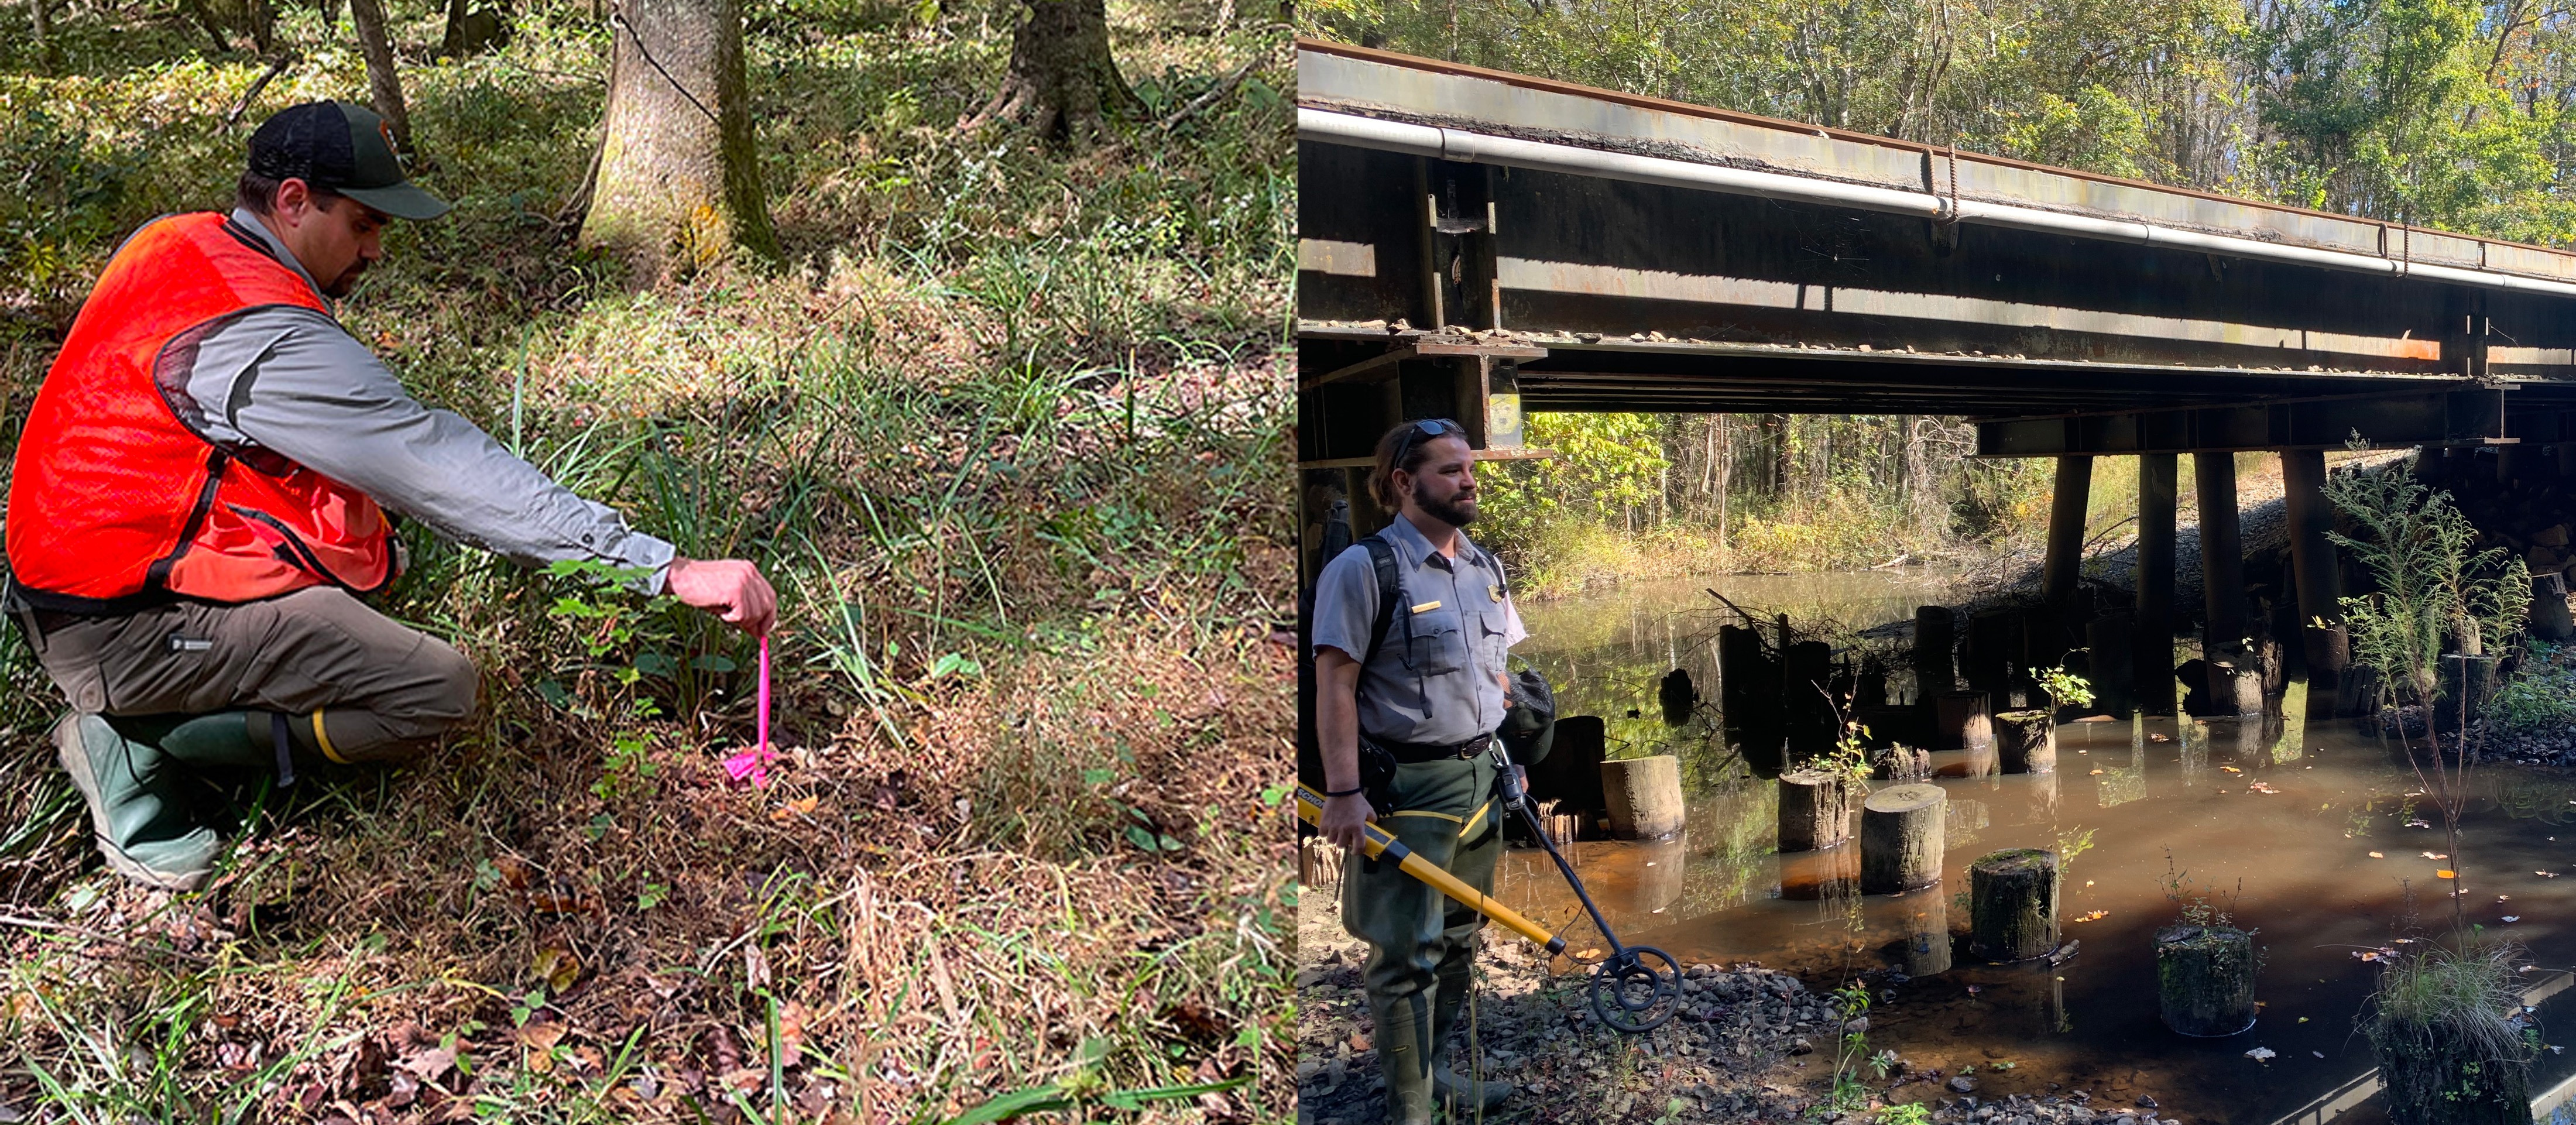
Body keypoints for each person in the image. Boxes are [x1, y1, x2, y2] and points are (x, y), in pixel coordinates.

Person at [4, 101, 776, 892]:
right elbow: (437, 464)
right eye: (365, 224)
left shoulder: (179, 241)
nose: (376, 250)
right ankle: (138, 745)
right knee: (437, 691)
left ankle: (159, 701)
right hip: (113, 624)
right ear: (296, 201)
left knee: (372, 552)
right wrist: (667, 568)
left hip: (79, 573)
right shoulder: (262, 333)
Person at [1311, 418, 1524, 1124]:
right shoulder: (1365, 569)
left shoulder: (1484, 568)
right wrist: (1343, 792)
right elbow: (1335, 685)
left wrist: (1515, 741)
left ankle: (1435, 1076)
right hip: (1406, 790)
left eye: (1469, 468)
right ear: (1404, 483)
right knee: (1405, 958)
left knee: (1461, 937)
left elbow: (1496, 678)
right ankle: (1410, 1110)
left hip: (1479, 782)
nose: (1468, 480)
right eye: (1450, 470)